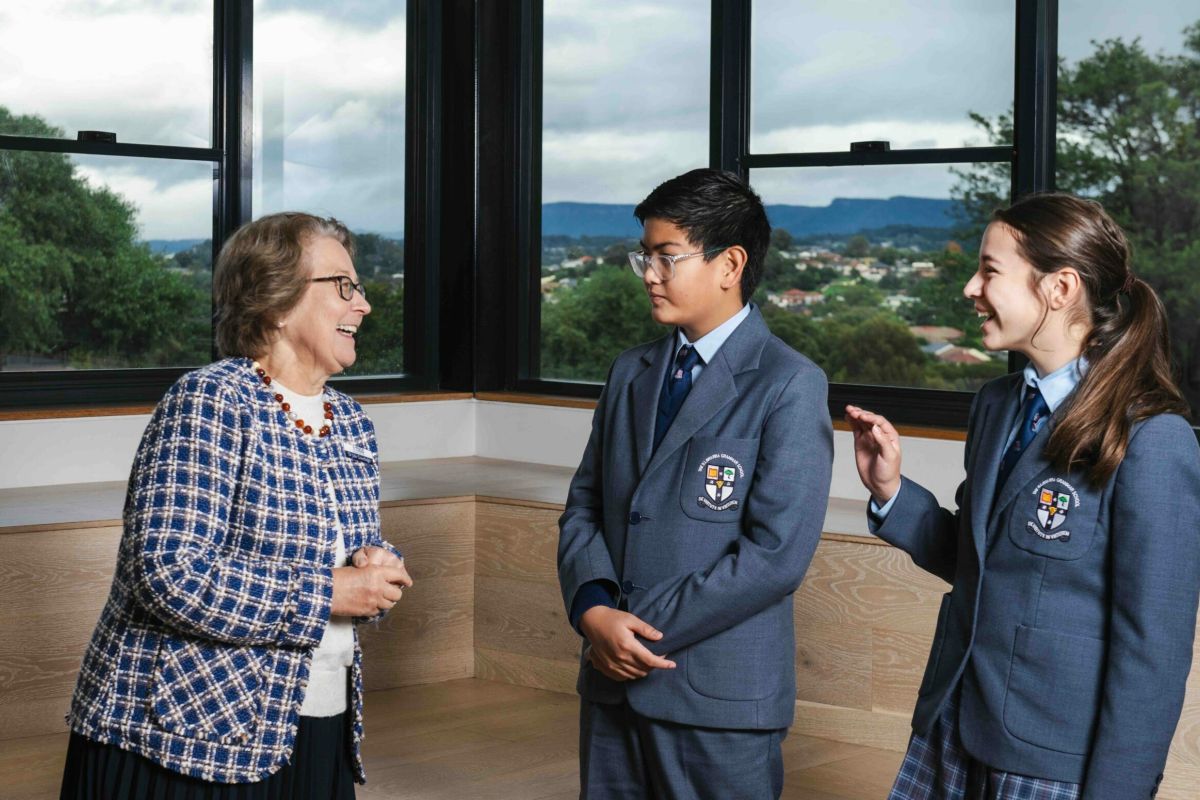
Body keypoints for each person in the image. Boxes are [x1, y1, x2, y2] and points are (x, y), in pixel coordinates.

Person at [847, 193, 1200, 799]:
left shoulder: (1153, 438)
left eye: (989, 270)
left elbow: (1154, 650)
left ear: (1059, 288)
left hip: (1049, 759)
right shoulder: (996, 405)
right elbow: (981, 562)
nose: (970, 288)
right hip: (952, 721)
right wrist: (891, 491)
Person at [60, 212, 413, 799]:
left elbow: (331, 553)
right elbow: (169, 574)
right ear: (277, 301)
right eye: (344, 286)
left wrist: (376, 566)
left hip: (311, 720)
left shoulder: (351, 421)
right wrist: (328, 593)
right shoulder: (210, 400)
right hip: (185, 736)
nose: (364, 304)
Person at [557, 168, 833, 798]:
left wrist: (631, 627)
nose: (649, 275)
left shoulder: (789, 383)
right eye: (644, 257)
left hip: (718, 699)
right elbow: (585, 505)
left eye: (667, 257)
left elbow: (775, 557)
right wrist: (594, 611)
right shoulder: (630, 372)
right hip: (610, 683)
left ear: (729, 264)